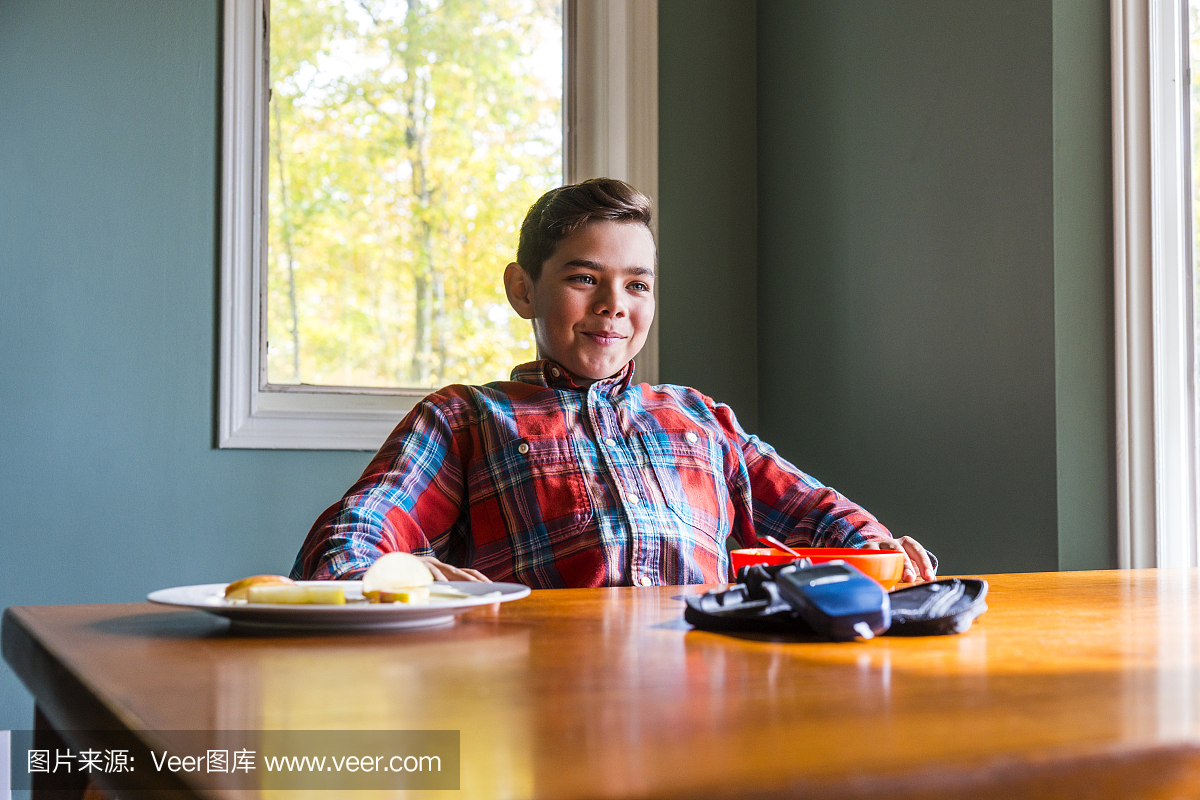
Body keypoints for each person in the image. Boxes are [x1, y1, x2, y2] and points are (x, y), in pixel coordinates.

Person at [292, 178, 936, 588]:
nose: (613, 305)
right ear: (523, 289)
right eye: (583, 278)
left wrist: (880, 554)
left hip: (703, 697)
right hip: (539, 700)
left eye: (637, 284)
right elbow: (353, 536)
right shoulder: (465, 418)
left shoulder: (702, 420)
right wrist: (382, 579)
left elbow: (820, 516)